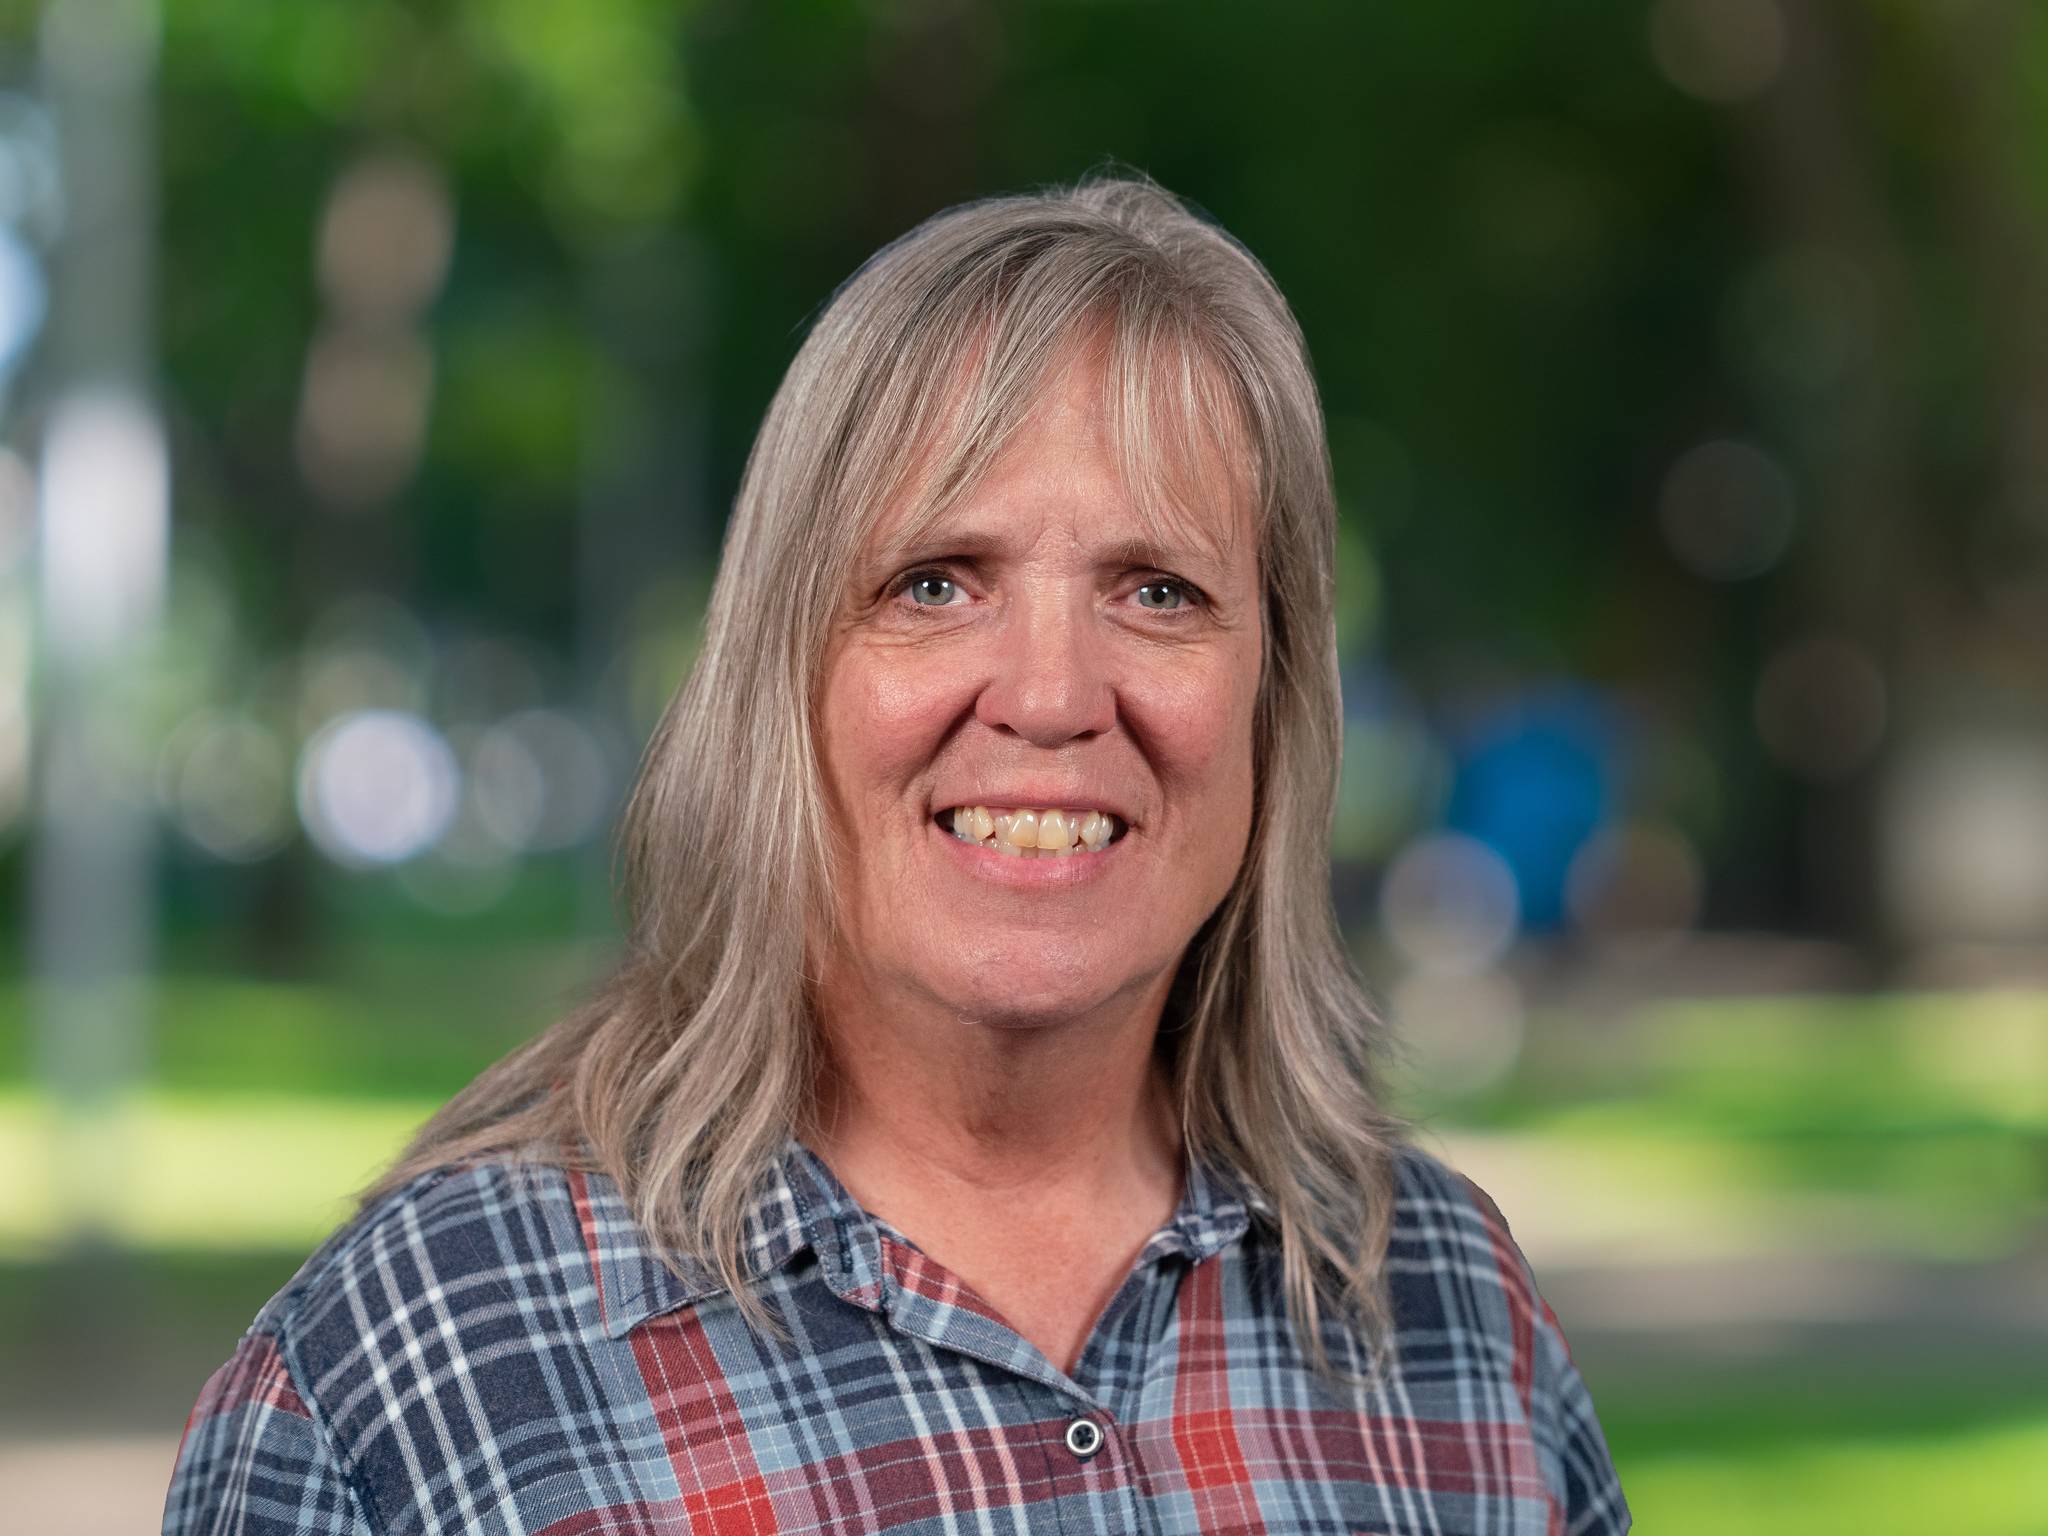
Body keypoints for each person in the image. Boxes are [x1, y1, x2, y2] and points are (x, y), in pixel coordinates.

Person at [165, 175, 1628, 1535]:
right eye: (935, 582)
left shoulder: (1451, 1314)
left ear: (1275, 702)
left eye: (1160, 591)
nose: (1052, 695)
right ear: (778, 677)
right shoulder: (410, 1380)